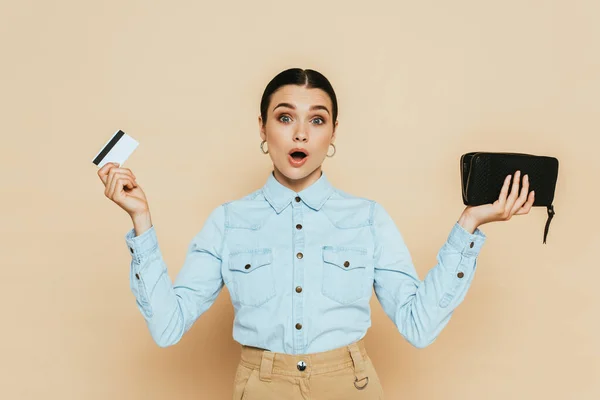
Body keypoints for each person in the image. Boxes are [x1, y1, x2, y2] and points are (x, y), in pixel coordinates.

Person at [97, 68, 535, 399]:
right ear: (263, 129)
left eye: (317, 120)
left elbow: (419, 326)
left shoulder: (367, 217)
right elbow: (167, 327)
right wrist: (141, 223)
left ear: (333, 133)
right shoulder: (229, 220)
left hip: (351, 385)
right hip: (262, 387)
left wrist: (469, 227)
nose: (301, 133)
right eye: (285, 117)